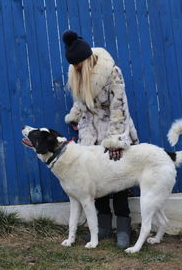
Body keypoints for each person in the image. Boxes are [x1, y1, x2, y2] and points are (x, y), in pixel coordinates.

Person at [62, 30, 139, 248]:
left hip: (115, 128)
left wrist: (115, 139)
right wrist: (75, 117)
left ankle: (123, 227)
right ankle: (103, 226)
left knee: (119, 178)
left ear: (86, 60)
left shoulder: (112, 72)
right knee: (95, 179)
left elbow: (119, 107)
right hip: (89, 132)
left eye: (78, 65)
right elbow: (80, 102)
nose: (75, 69)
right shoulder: (76, 72)